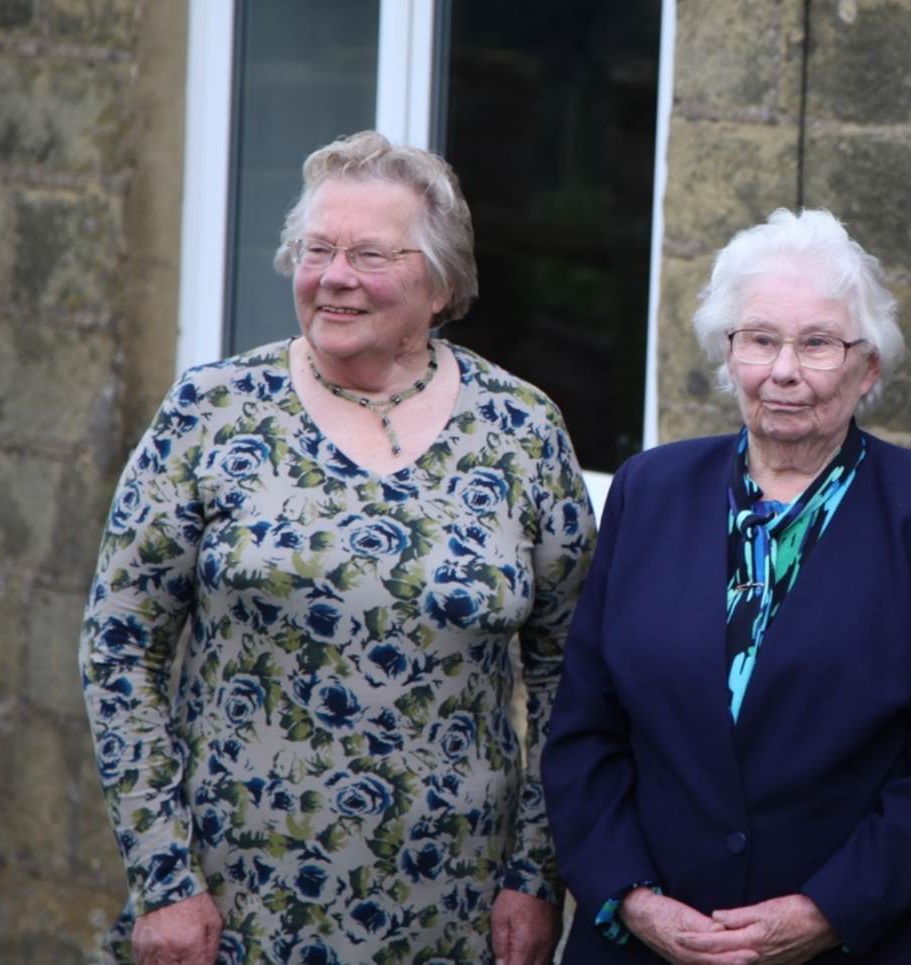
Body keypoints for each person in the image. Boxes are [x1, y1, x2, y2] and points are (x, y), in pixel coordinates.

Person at [79, 130, 594, 965]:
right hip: (235, 899)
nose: (335, 276)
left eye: (369, 254)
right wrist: (164, 875)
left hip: (457, 906)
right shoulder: (212, 411)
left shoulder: (521, 429)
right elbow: (119, 649)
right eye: (317, 250)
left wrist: (537, 873)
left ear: (439, 281)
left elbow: (571, 671)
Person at [541, 208, 911, 963]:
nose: (784, 370)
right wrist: (630, 897)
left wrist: (827, 909)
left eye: (818, 342)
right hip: (648, 940)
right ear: (728, 355)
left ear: (871, 366)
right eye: (759, 339)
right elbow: (585, 730)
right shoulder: (647, 490)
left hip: (853, 939)